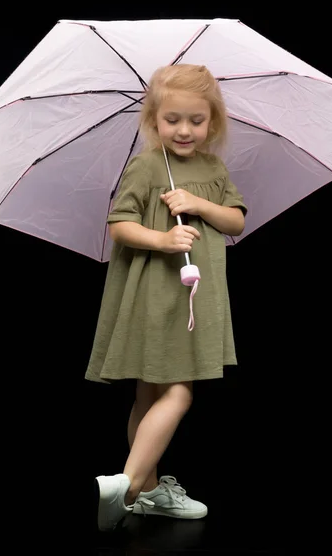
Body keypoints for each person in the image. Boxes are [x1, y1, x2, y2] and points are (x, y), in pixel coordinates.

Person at [85, 63, 247, 532]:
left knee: (151, 392)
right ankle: (130, 485)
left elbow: (235, 221)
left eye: (196, 120)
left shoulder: (213, 167)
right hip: (154, 296)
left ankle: (148, 491)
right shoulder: (148, 165)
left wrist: (197, 205)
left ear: (212, 121)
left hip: (195, 300)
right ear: (153, 118)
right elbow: (119, 224)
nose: (184, 129)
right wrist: (162, 241)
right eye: (172, 119)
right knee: (178, 392)